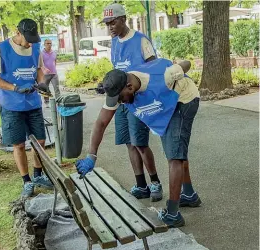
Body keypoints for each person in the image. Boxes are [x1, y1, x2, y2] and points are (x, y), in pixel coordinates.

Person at [76, 58, 201, 228]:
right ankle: (189, 195)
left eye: (121, 98)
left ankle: (173, 214)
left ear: (130, 87)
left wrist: (177, 68)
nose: (120, 103)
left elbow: (187, 64)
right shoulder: (119, 88)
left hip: (184, 99)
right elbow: (101, 123)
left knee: (174, 156)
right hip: (166, 104)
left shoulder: (162, 77)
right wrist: (92, 155)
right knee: (175, 149)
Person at [94, 3, 162, 201]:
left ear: (123, 19)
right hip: (120, 99)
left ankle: (155, 182)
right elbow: (117, 70)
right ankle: (141, 185)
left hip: (138, 99)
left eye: (113, 22)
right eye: (107, 24)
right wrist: (106, 84)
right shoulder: (114, 42)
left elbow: (154, 69)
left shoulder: (141, 41)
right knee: (128, 143)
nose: (110, 27)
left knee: (140, 143)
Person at [0, 18, 53, 197]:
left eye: (33, 38)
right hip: (11, 105)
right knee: (19, 145)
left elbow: (39, 70)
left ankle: (38, 175)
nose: (30, 42)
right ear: (18, 32)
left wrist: (42, 83)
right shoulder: (2, 49)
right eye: (27, 38)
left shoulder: (35, 48)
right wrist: (14, 88)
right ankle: (27, 181)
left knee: (40, 142)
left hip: (32, 103)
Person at [40, 39, 61, 105]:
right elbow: (40, 64)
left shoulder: (54, 52)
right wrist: (44, 69)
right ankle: (47, 102)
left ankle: (59, 101)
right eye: (47, 43)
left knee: (56, 88)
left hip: (54, 74)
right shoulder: (41, 53)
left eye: (50, 43)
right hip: (45, 75)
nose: (49, 45)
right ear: (44, 44)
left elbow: (55, 61)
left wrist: (54, 68)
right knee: (45, 89)